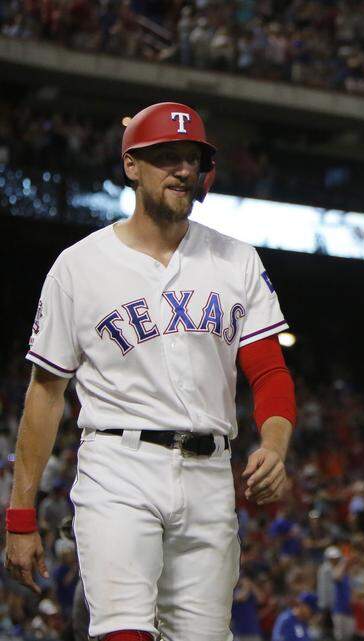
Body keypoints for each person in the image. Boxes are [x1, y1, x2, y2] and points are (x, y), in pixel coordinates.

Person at [4, 102, 297, 641]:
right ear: (132, 165)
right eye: (167, 157)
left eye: (192, 158)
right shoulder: (79, 265)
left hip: (211, 474)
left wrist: (275, 445)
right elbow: (45, 395)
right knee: (123, 630)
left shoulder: (238, 260)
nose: (183, 170)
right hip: (119, 466)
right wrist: (20, 515)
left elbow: (269, 372)